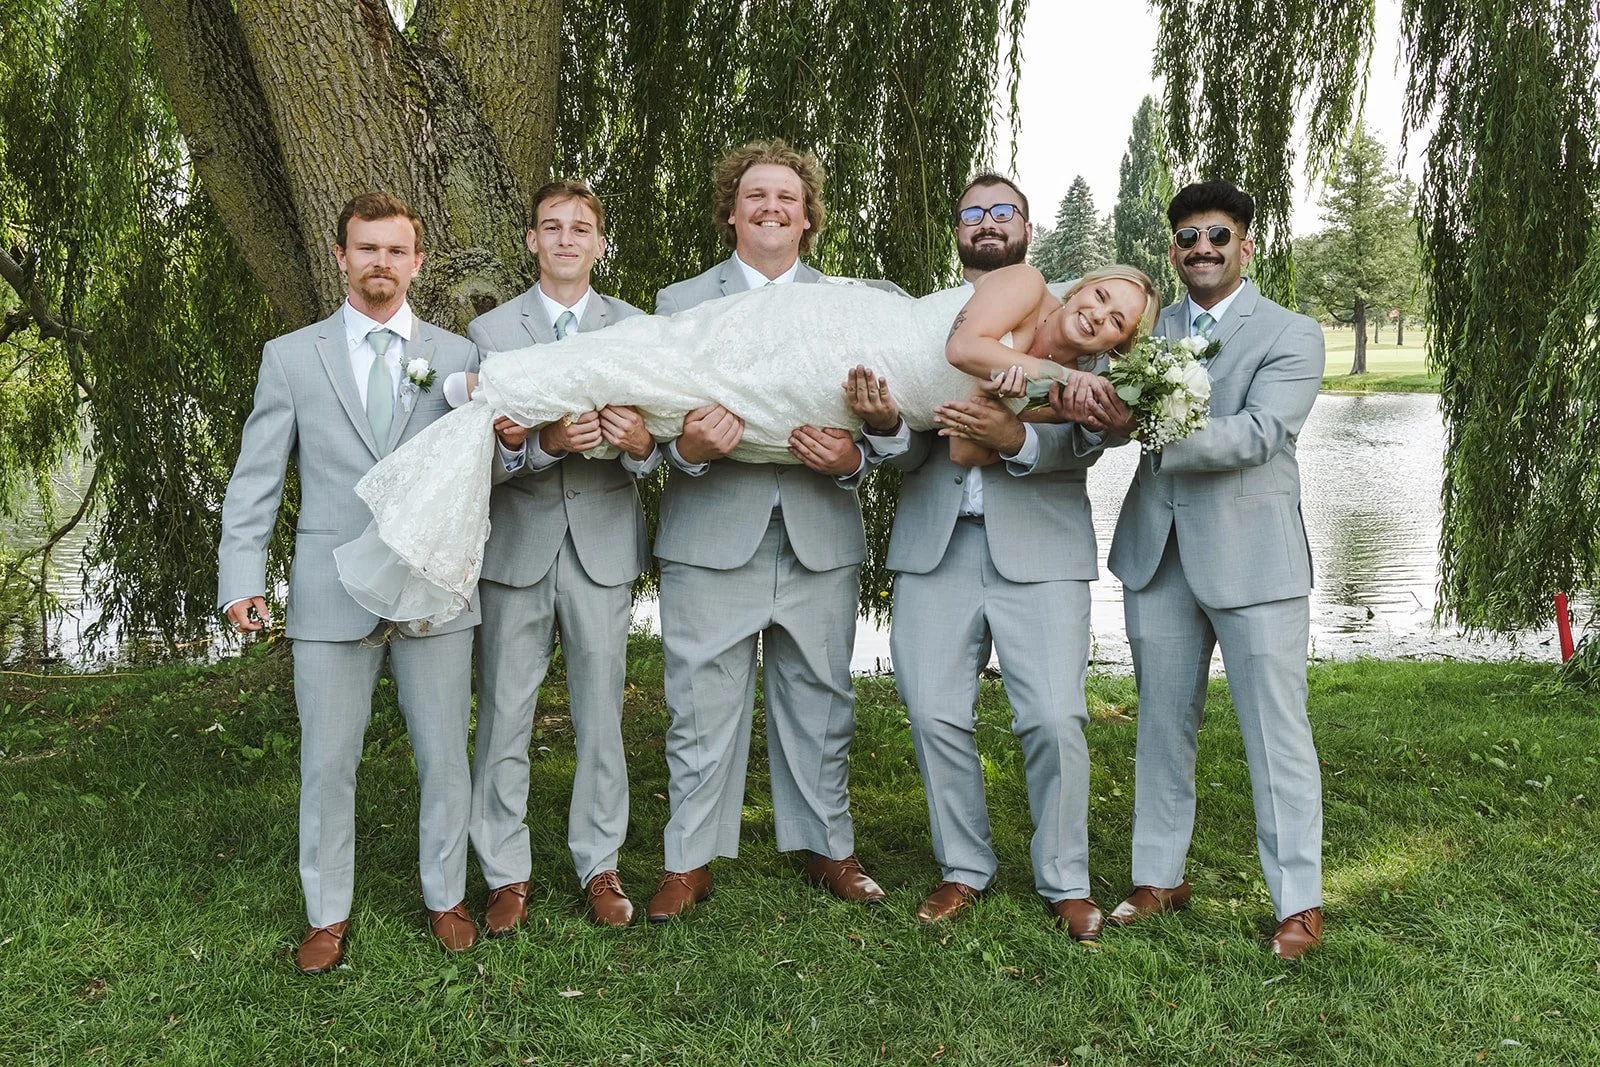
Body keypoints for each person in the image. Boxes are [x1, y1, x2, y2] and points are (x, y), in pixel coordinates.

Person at [871, 175, 1159, 938]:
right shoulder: (955, 316)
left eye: (1116, 319)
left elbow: (1086, 447)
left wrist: (1018, 438)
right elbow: (912, 441)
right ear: (1080, 285)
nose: (1097, 313)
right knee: (933, 710)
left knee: (1056, 715)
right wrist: (884, 426)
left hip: (1042, 551)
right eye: (1098, 295)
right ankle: (962, 866)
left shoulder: (1109, 382)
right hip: (935, 542)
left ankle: (1065, 878)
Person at [217, 192, 482, 973]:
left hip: (433, 589)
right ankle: (327, 914)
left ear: (417, 261)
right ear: (340, 256)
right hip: (331, 587)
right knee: (327, 761)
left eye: (396, 250)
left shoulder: (460, 358)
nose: (381, 263)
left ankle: (447, 896)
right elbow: (257, 477)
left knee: (445, 756)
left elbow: (482, 470)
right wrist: (242, 573)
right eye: (366, 249)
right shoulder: (293, 357)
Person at [644, 138, 906, 921]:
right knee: (697, 701)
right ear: (732, 210)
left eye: (786, 198)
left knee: (823, 697)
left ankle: (829, 846)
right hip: (708, 530)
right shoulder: (677, 303)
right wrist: (688, 450)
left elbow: (894, 421)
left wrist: (854, 457)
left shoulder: (852, 304)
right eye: (756, 195)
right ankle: (687, 858)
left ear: (807, 216)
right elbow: (656, 423)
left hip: (818, 528)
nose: (771, 207)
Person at [1070, 179, 1327, 960]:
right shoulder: (1145, 331)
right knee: (1160, 723)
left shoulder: (1292, 332)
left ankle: (1299, 904)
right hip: (1158, 554)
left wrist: (1149, 422)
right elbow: (1108, 417)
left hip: (1256, 564)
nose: (1201, 249)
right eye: (1187, 237)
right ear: (1174, 250)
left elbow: (1259, 433)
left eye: (1217, 235)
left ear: (1245, 244)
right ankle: (1158, 877)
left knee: (1275, 733)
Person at [458, 180, 655, 932]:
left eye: (581, 227)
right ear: (532, 241)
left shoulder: (635, 327)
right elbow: (475, 449)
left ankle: (599, 863)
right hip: (517, 543)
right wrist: (541, 446)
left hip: (602, 544)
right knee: (506, 711)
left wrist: (638, 446)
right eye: (552, 226)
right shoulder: (490, 331)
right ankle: (506, 871)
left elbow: (655, 439)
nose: (567, 238)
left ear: (600, 243)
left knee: (601, 713)